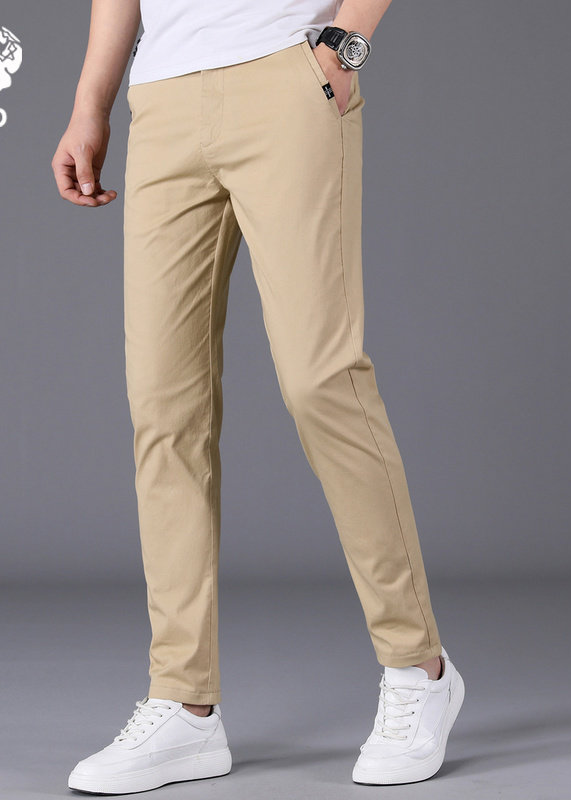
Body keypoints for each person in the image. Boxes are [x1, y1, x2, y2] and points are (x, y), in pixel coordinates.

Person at [52, 0, 464, 793]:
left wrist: (343, 48)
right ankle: (184, 703)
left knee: (321, 378)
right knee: (163, 405)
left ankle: (420, 668)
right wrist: (89, 104)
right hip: (163, 96)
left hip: (286, 73)